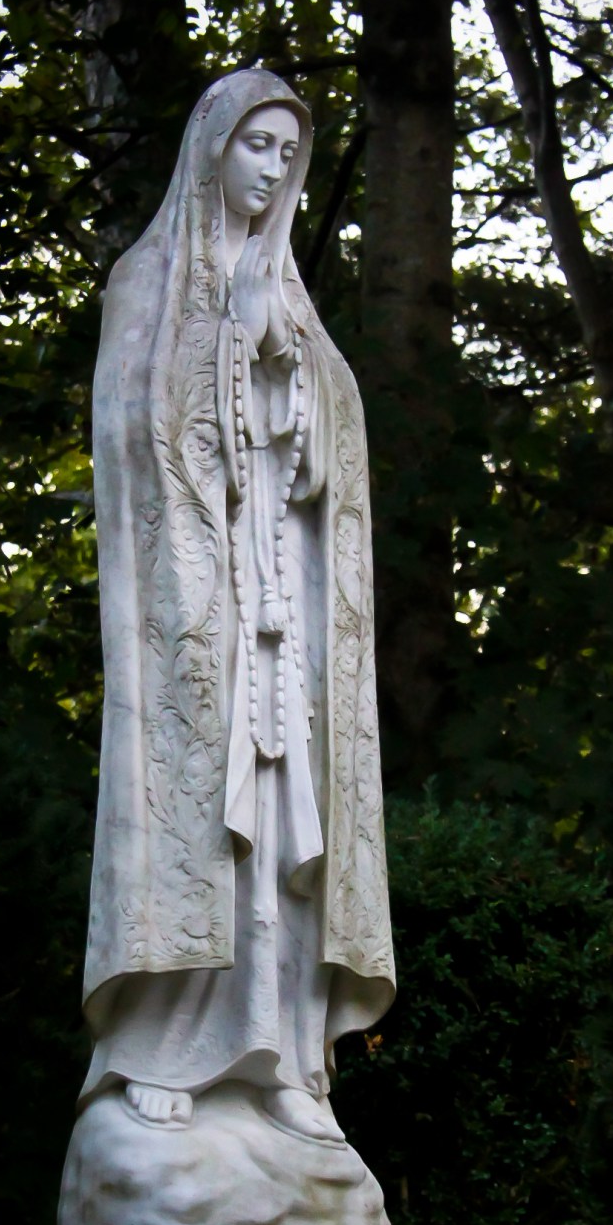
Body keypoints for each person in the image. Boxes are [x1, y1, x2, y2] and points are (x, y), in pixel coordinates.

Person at [78, 69, 395, 1148]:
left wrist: (286, 363)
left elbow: (331, 457)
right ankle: (163, 1050)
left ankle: (283, 1058)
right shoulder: (146, 281)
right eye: (256, 144)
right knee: (197, 827)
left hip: (280, 601)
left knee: (285, 829)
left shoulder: (290, 297)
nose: (271, 167)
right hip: (194, 610)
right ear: (211, 146)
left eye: (286, 153)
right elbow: (133, 436)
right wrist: (227, 344)